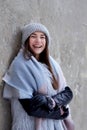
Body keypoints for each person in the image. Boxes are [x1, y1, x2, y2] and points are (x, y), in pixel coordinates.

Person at [2, 23, 74, 130]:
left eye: (42, 37)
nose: (38, 41)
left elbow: (67, 92)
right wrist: (60, 113)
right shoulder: (20, 65)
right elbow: (31, 107)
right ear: (26, 40)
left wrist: (52, 102)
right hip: (29, 125)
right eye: (33, 36)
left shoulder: (52, 63)